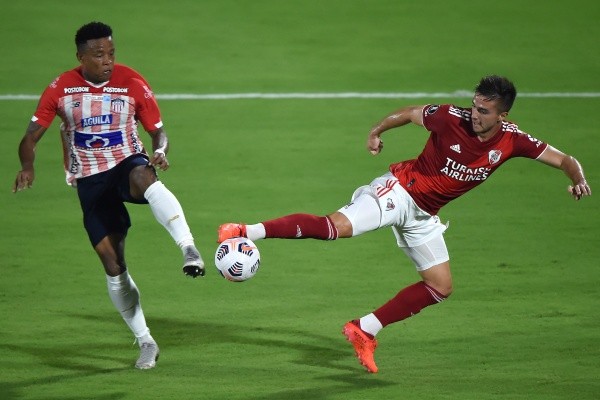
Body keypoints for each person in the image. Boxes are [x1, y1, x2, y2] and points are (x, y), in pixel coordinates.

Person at [217, 75, 591, 373]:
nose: (475, 115)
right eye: (475, 106)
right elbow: (411, 113)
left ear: (503, 116)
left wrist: (577, 178)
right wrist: (376, 132)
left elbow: (564, 159)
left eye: (485, 111)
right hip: (399, 191)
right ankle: (243, 231)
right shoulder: (449, 117)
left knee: (441, 286)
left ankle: (364, 329)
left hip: (425, 215)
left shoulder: (513, 141)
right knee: (335, 227)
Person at [12, 21, 206, 370]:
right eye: (99, 55)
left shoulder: (132, 82)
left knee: (143, 175)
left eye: (112, 53)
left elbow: (158, 133)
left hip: (124, 162)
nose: (108, 61)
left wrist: (160, 151)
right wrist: (28, 166)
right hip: (89, 179)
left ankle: (188, 248)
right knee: (113, 264)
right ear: (81, 57)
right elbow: (29, 137)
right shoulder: (61, 89)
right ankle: (146, 341)